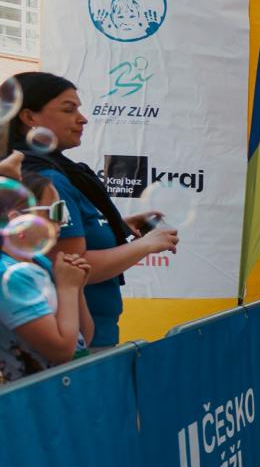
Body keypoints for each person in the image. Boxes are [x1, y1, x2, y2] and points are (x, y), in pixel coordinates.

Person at [9, 72, 179, 347]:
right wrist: (146, 245)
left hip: (87, 333)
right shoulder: (48, 179)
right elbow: (73, 265)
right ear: (29, 117)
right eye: (69, 109)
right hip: (74, 342)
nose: (82, 118)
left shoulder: (59, 172)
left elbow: (66, 243)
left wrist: (117, 226)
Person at [1, 174, 93, 382]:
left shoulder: (40, 262)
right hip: (33, 396)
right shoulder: (10, 276)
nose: (63, 220)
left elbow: (83, 340)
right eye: (55, 211)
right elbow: (62, 351)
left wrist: (76, 288)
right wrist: (67, 288)